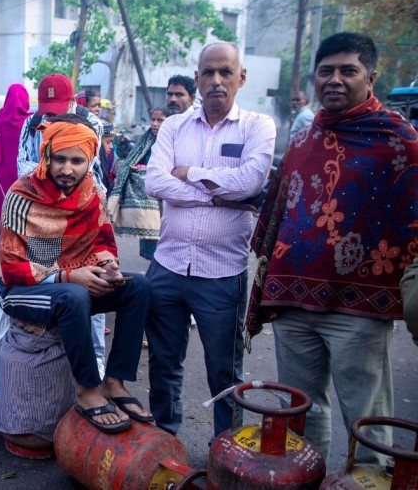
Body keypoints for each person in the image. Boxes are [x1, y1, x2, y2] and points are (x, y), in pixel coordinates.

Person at [247, 32, 418, 464]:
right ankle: (308, 476)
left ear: (371, 77)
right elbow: (280, 210)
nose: (335, 80)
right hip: (293, 305)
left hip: (360, 311)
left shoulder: (400, 140)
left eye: (348, 71)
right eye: (326, 71)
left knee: (366, 419)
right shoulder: (305, 140)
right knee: (303, 412)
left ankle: (370, 478)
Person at [144, 42, 275, 439]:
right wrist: (217, 193)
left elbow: (252, 180)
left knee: (224, 369)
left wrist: (188, 174)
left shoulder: (257, 126)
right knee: (164, 363)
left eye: (225, 72)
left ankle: (227, 449)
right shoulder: (173, 126)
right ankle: (166, 441)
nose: (216, 81)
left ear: (241, 77)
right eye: (208, 73)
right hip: (167, 266)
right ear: (198, 78)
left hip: (222, 272)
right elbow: (154, 181)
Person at [0, 115, 152, 434]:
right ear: (46, 156)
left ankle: (114, 382)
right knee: (74, 294)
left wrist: (108, 267)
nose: (68, 169)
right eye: (60, 159)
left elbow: (104, 240)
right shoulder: (21, 195)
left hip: (69, 291)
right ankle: (87, 389)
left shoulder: (93, 194)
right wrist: (69, 276)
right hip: (20, 293)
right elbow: (12, 268)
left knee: (139, 287)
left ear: (90, 159)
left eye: (77, 160)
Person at [17, 73, 108, 375]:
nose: (51, 115)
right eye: (47, 109)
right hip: (42, 216)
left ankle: (94, 355)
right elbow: (23, 167)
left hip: (84, 213)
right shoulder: (31, 124)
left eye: (57, 109)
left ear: (71, 102)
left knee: (92, 280)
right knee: (50, 276)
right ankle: (56, 349)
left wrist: (51, 170)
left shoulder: (91, 124)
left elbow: (86, 172)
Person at [108, 106, 174, 260]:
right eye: (153, 119)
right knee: (151, 245)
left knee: (165, 241)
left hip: (164, 200)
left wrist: (147, 170)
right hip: (146, 195)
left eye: (160, 120)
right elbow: (135, 158)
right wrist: (134, 168)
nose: (155, 124)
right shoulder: (147, 139)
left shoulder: (174, 140)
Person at [0, 84, 30, 220]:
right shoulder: (30, 119)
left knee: (6, 205)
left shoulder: (1, 115)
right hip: (25, 170)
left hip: (4, 167)